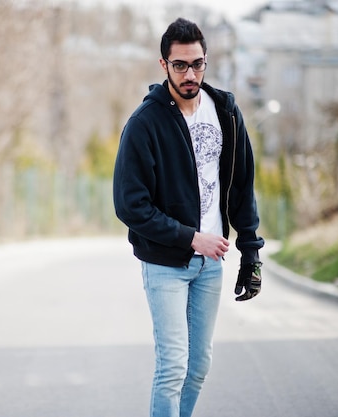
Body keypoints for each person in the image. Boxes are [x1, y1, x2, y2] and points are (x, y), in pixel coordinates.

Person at [112, 17, 265, 417]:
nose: (190, 74)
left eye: (197, 63)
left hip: (210, 266)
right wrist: (190, 237)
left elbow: (242, 186)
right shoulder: (145, 125)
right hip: (166, 264)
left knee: (198, 368)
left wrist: (251, 252)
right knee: (173, 368)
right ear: (163, 65)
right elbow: (130, 205)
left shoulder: (227, 112)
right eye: (180, 65)